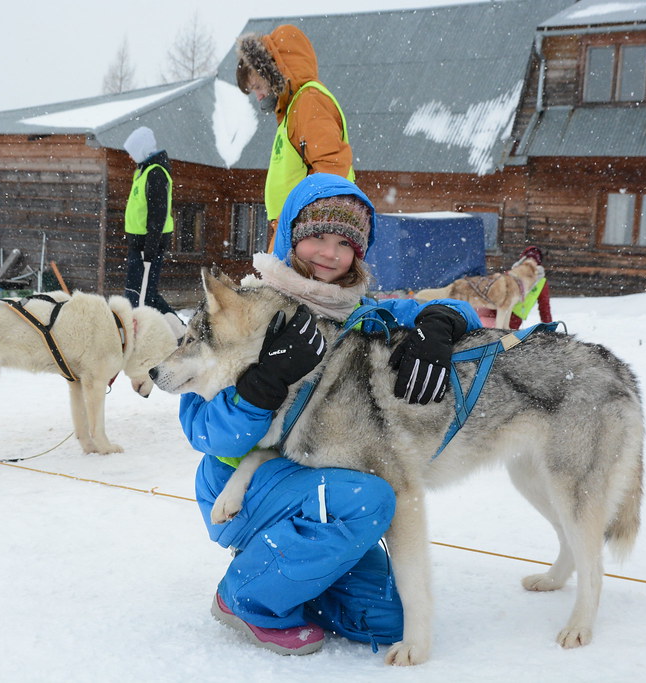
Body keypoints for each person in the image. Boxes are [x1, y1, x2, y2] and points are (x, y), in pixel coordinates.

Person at [178, 173, 482, 655]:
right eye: (317, 235)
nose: (329, 252)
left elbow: (440, 305)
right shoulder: (246, 308)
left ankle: (295, 570)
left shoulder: (354, 309)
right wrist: (262, 387)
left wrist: (441, 321)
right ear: (291, 236)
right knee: (371, 497)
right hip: (236, 487)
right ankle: (247, 595)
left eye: (345, 242)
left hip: (314, 486)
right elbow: (204, 431)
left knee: (384, 619)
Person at [236, 25, 354, 233]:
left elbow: (332, 168)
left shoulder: (309, 102)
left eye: (257, 87)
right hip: (295, 227)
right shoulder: (292, 109)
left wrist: (312, 230)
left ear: (273, 73)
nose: (259, 97)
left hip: (309, 229)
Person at [122, 125, 177, 317]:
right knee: (135, 294)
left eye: (132, 152)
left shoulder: (156, 173)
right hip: (139, 244)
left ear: (141, 150)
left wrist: (150, 248)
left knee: (145, 296)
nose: (130, 157)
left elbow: (158, 215)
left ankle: (178, 330)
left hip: (149, 245)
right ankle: (137, 330)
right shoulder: (142, 172)